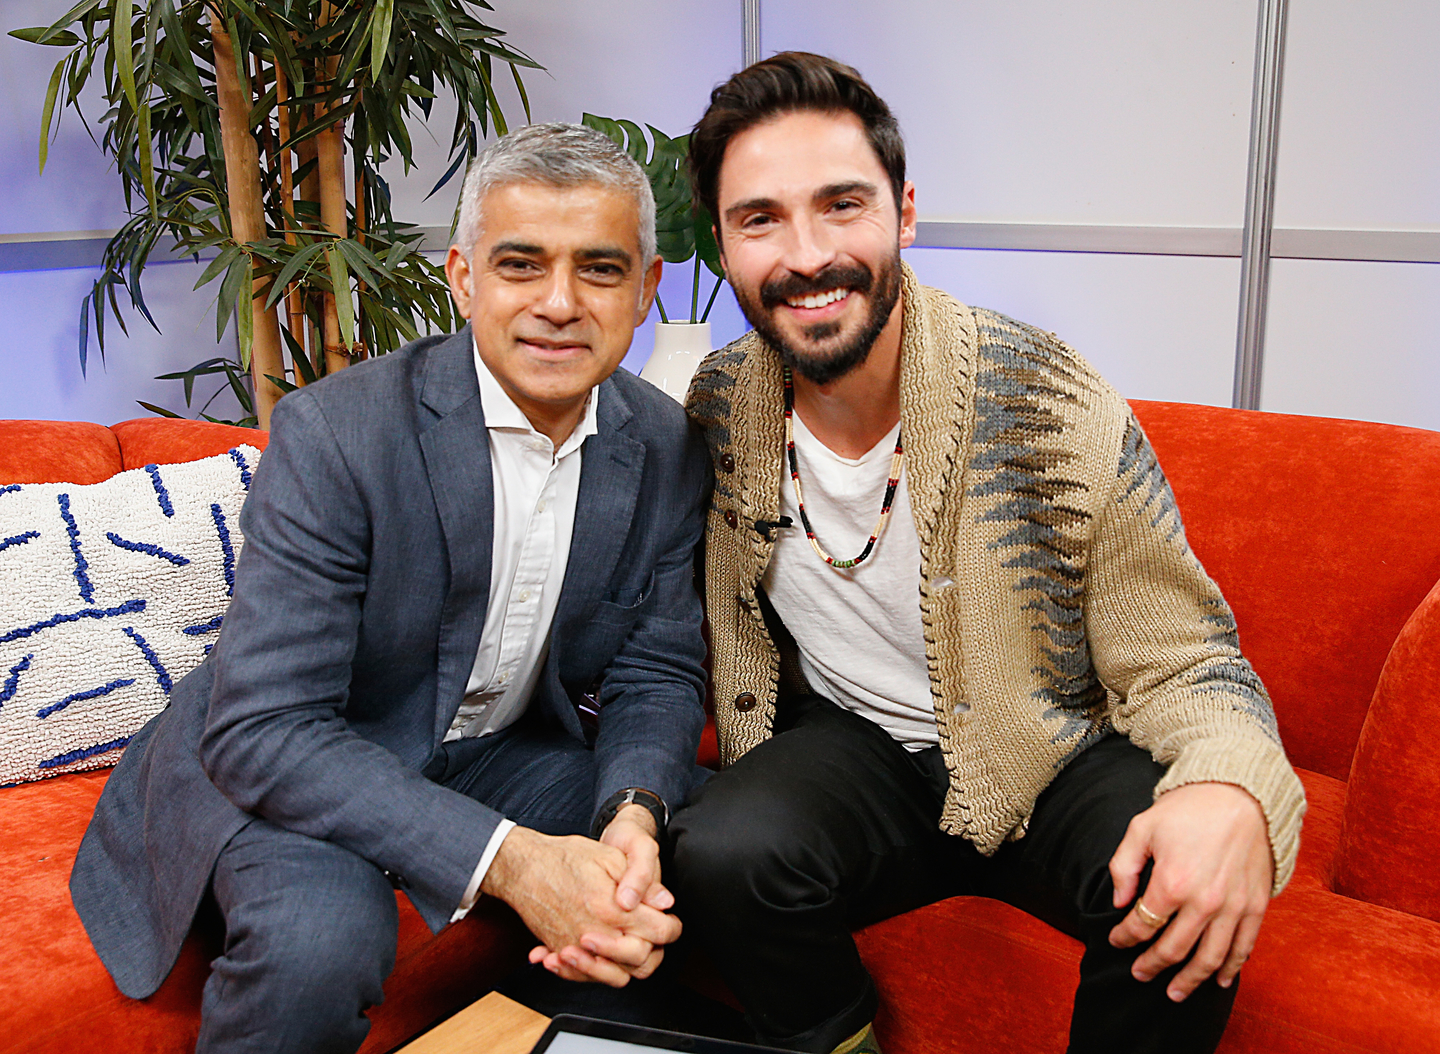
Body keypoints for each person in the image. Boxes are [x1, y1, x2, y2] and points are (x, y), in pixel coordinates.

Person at [670, 53, 1306, 1054]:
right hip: (859, 751)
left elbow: (1190, 657)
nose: (806, 255)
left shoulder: (1047, 396)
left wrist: (1231, 781)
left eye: (842, 205)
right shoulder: (719, 406)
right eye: (761, 219)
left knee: (1173, 894)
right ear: (723, 241)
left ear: (904, 211)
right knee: (719, 848)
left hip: (1050, 745)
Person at [70, 122, 713, 1054]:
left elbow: (656, 669)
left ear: (647, 289)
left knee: (702, 849)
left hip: (495, 748)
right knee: (319, 941)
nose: (560, 302)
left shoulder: (662, 442)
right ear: (463, 278)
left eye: (601, 270)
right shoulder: (339, 432)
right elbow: (262, 729)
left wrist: (632, 817)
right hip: (307, 746)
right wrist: (514, 862)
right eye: (521, 264)